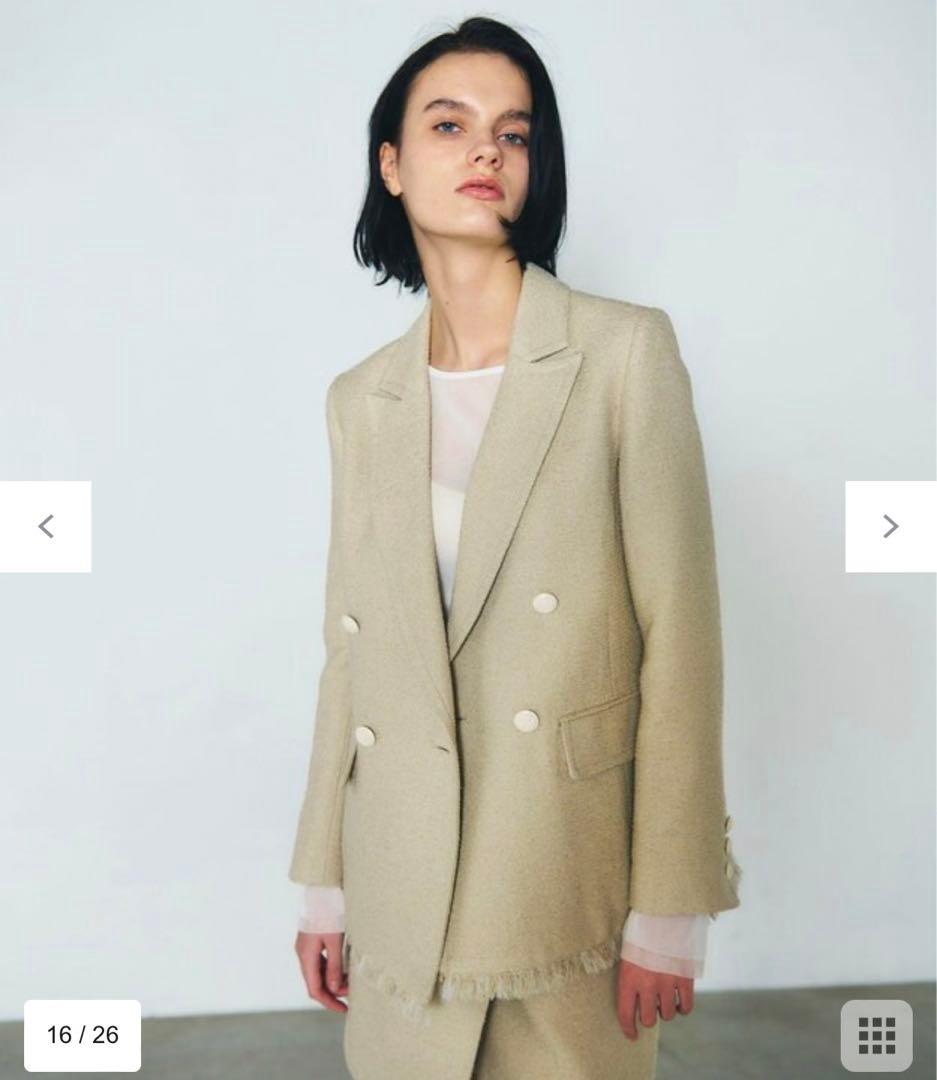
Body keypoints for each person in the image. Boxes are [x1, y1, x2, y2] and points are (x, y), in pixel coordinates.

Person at [289, 16, 742, 1079]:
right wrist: (323, 885)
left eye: (515, 132)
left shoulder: (623, 353)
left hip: (561, 885)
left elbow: (680, 636)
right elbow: (351, 654)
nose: (487, 150)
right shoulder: (360, 398)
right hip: (399, 892)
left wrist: (670, 907)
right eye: (449, 125)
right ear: (391, 165)